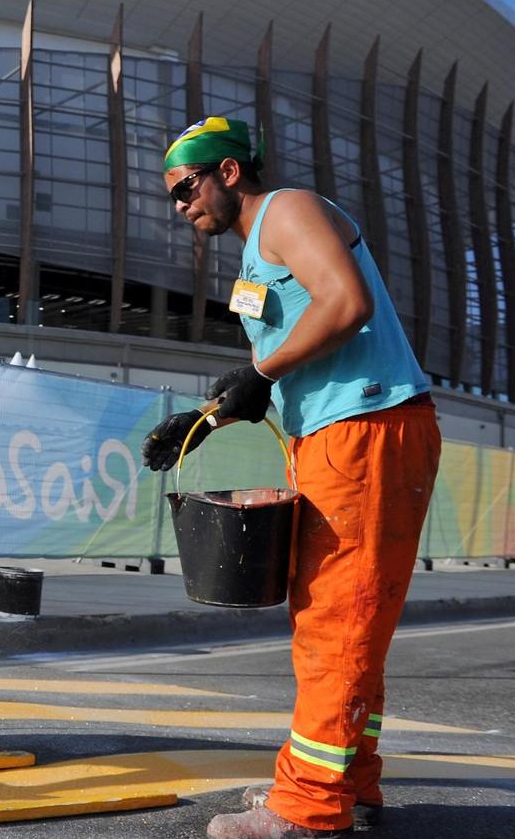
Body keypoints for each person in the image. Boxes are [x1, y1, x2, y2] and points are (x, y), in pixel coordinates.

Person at [142, 117, 441, 839]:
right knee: (340, 619)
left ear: (229, 172)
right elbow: (285, 362)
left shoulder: (288, 210)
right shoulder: (253, 258)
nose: (182, 206)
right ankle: (350, 782)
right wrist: (208, 419)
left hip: (366, 430)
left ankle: (309, 806)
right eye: (174, 198)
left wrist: (258, 372)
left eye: (187, 188)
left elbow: (346, 301)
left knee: (337, 620)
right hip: (334, 438)